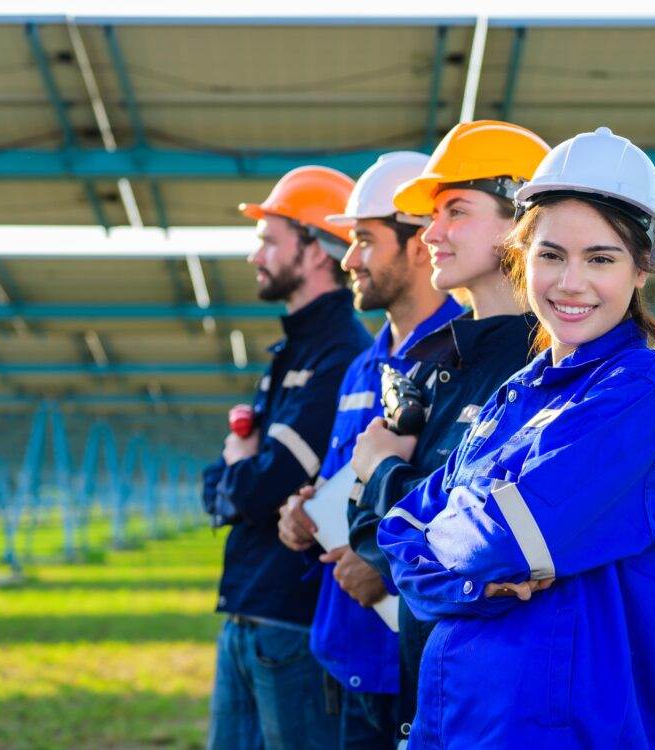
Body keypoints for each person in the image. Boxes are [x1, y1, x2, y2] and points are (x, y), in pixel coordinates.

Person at [378, 127, 655, 749]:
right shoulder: (516, 393)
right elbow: (398, 537)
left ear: (642, 268)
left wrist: (452, 536)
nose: (570, 282)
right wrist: (466, 569)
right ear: (523, 255)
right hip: (458, 719)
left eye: (600, 259)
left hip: (567, 729)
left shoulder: (637, 385)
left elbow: (511, 535)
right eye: (551, 255)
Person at [345, 121, 550, 747]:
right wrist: (403, 502)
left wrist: (384, 472)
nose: (431, 234)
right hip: (430, 695)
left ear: (521, 221)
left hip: (504, 707)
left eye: (455, 212)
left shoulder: (548, 369)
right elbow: (374, 541)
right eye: (432, 217)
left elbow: (486, 548)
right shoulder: (435, 364)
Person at [276, 151, 463, 749]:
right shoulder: (362, 364)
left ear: (418, 242)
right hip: (344, 645)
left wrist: (381, 565)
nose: (348, 258)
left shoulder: (468, 356)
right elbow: (349, 488)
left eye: (363, 240)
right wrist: (309, 514)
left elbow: (465, 507)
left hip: (411, 657)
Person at [202, 165, 371, 750]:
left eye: (269, 240)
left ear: (318, 250)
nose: (256, 256)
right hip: (249, 610)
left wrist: (238, 473)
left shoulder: (343, 355)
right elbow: (233, 484)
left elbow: (256, 488)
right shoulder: (291, 353)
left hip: (293, 619)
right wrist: (239, 475)